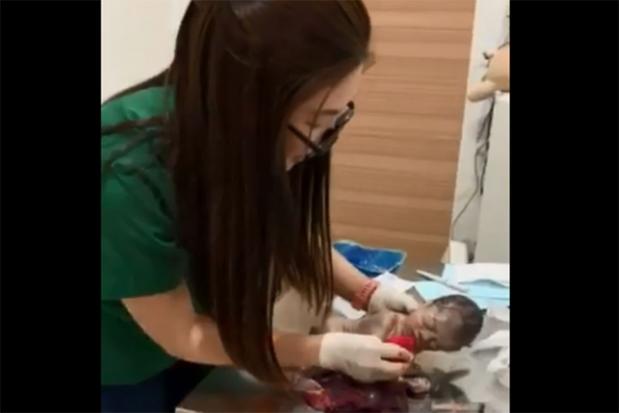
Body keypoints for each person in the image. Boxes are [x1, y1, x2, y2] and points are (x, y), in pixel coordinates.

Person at [101, 1, 420, 412]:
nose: (320, 142)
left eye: (338, 117)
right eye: (316, 121)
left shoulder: (239, 135)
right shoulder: (127, 175)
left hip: (197, 334)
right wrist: (322, 350)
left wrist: (367, 292)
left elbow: (281, 226)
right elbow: (183, 334)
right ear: (244, 102)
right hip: (119, 360)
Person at [322, 295, 484, 352]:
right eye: (428, 324)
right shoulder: (389, 321)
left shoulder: (413, 344)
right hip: (324, 333)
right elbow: (368, 345)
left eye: (433, 344)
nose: (424, 336)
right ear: (425, 304)